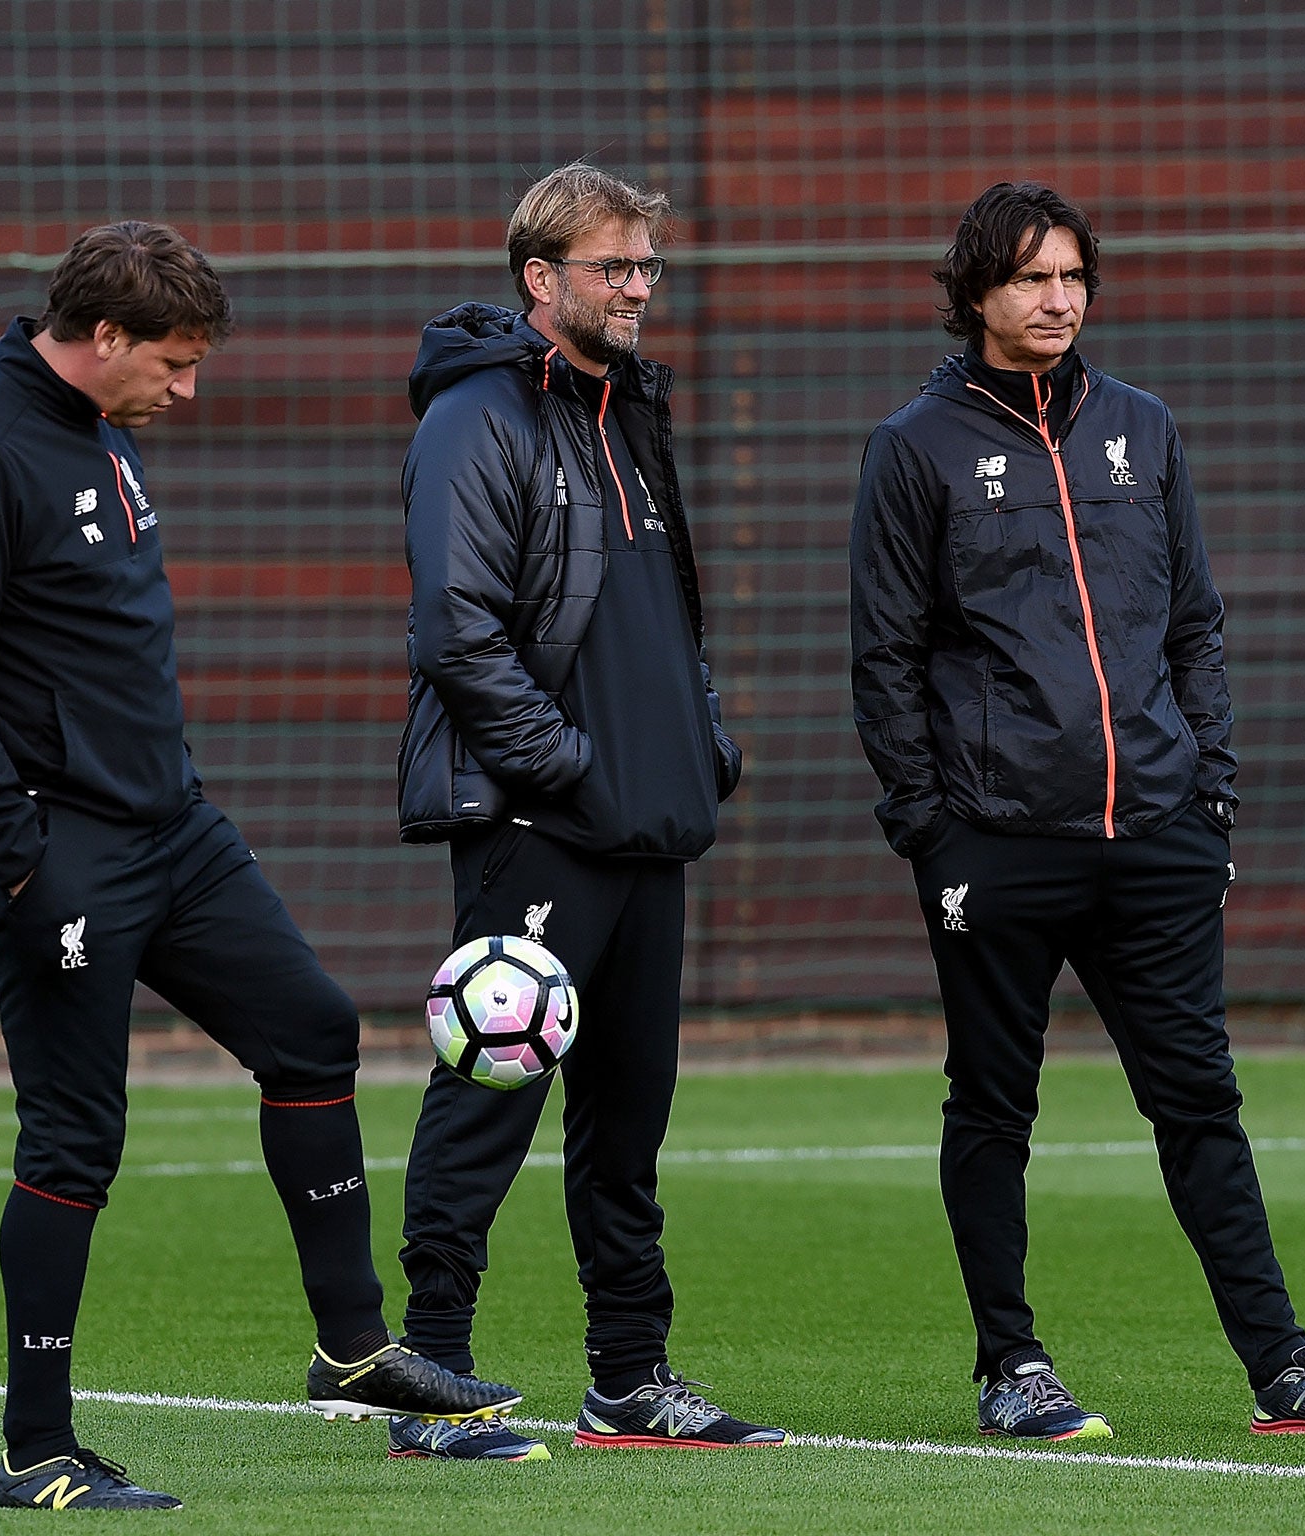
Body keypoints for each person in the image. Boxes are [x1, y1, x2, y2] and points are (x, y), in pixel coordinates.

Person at [0, 221, 516, 1511]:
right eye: (172, 365)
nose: (187, 391)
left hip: (173, 831)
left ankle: (352, 1348)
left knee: (310, 1029)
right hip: (60, 856)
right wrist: (18, 869)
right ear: (104, 336)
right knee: (74, 1144)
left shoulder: (101, 428)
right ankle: (36, 1452)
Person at [848, 181, 1305, 1442]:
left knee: (1199, 1104)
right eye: (1029, 279)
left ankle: (1284, 1369)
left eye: (1071, 277)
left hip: (1156, 833)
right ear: (975, 294)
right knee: (992, 1107)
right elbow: (883, 660)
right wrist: (930, 834)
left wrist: (1205, 791)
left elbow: (1192, 625)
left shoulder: (1143, 431)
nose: (1056, 300)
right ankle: (1012, 1367)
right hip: (994, 845)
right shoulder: (914, 447)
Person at [390, 163, 788, 1461]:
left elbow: (666, 616)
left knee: (628, 1126)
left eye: (645, 267)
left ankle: (630, 1377)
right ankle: (431, 1375)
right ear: (539, 279)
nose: (635, 289)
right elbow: (458, 633)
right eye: (612, 267)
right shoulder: (476, 417)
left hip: (649, 826)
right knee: (488, 1102)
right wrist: (564, 766)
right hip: (541, 828)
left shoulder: (631, 411)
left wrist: (700, 743)